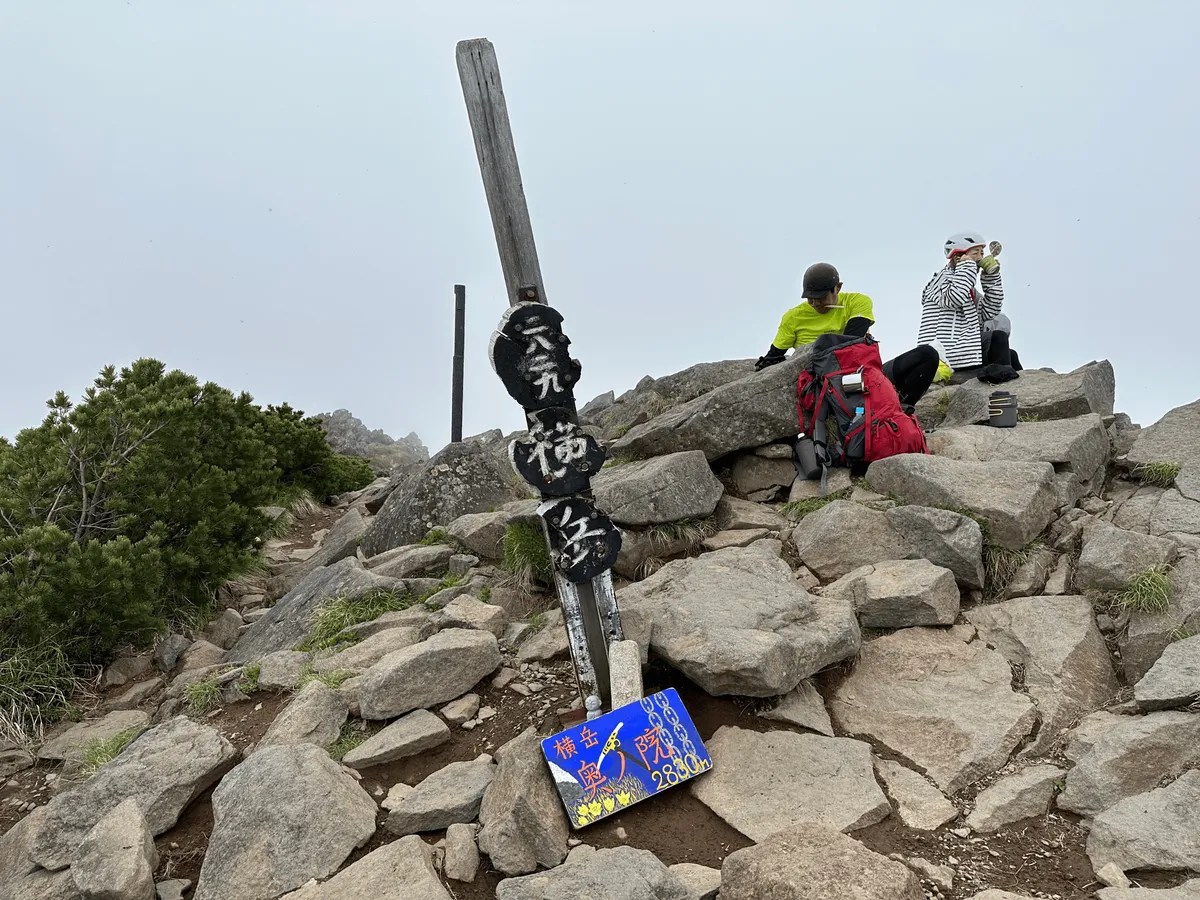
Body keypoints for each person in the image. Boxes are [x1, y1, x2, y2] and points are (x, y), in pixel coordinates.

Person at [754, 262, 939, 410]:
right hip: (827, 384)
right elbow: (774, 356)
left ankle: (900, 409)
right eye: (810, 298)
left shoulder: (857, 302)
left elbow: (853, 342)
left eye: (821, 297)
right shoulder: (793, 317)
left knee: (927, 355)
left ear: (838, 288)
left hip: (864, 375)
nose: (815, 303)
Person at [918, 232, 1022, 383]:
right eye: (975, 253)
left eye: (982, 253)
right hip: (944, 352)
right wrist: (967, 266)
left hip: (963, 346)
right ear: (957, 257)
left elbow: (990, 311)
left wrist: (991, 277)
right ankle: (1001, 387)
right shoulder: (939, 281)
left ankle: (1018, 391)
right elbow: (954, 298)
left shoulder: (968, 289)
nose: (980, 258)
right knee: (997, 338)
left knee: (1011, 355)